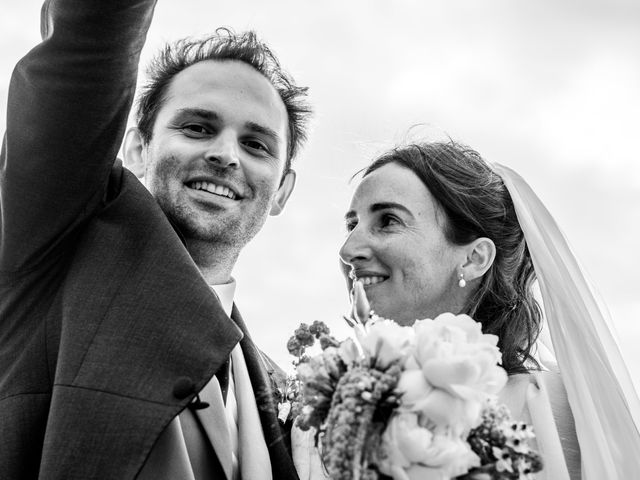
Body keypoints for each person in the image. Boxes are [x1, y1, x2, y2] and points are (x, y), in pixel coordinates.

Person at [0, 1, 311, 479]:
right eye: (197, 127)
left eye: (256, 145)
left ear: (282, 191)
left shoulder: (277, 383)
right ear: (138, 149)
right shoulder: (56, 244)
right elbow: (87, 48)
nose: (226, 155)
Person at [336, 141, 640, 479]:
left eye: (388, 220)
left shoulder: (556, 412)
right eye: (352, 225)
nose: (348, 249)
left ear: (474, 258)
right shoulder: (336, 408)